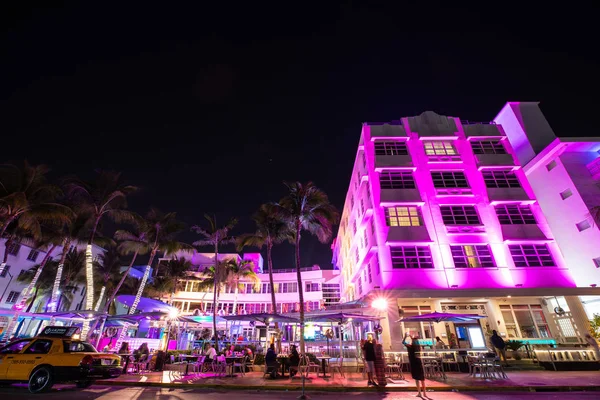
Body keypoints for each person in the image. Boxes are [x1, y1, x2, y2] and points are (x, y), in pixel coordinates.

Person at [403, 332, 428, 398]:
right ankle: (424, 393)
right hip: (418, 362)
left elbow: (403, 342)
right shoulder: (418, 347)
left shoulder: (410, 347)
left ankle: (419, 392)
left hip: (413, 363)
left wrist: (405, 336)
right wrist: (411, 337)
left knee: (416, 379)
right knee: (422, 378)